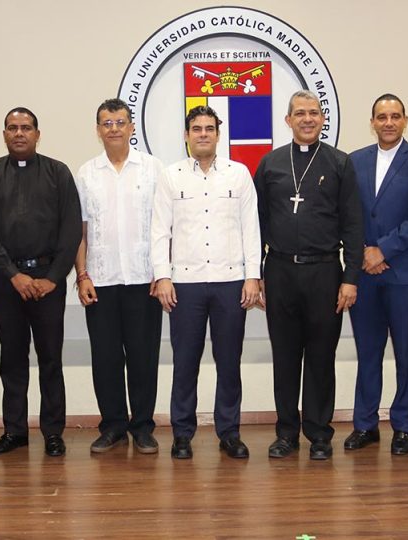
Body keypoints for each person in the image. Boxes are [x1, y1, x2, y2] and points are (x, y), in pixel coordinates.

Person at [255, 89, 363, 461]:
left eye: (314, 113)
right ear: (288, 120)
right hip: (281, 269)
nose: (307, 119)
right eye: (299, 113)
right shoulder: (270, 164)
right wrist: (258, 274)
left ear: (322, 119)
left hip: (324, 272)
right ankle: (286, 433)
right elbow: (257, 224)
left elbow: (353, 224)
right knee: (285, 356)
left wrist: (350, 278)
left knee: (320, 356)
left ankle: (319, 433)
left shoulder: (339, 163)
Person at [151, 105, 261, 459]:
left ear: (218, 134)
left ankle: (229, 432)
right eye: (196, 128)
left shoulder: (239, 175)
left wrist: (253, 276)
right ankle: (182, 434)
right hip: (185, 282)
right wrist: (162, 276)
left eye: (209, 128)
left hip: (231, 282)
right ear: (186, 136)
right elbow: (158, 231)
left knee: (229, 361)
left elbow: (251, 229)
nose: (202, 134)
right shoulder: (170, 177)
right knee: (185, 362)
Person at [0, 107, 81, 457]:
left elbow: (71, 228)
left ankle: (52, 432)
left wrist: (52, 278)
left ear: (38, 134)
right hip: (6, 283)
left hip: (49, 282)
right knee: (12, 359)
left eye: (26, 128)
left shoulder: (58, 172)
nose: (19, 133)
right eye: (12, 128)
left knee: (51, 359)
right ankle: (15, 431)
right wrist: (13, 274)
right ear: (4, 134)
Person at [345, 94, 408, 455]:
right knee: (368, 351)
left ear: (405, 120)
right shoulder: (354, 161)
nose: (388, 122)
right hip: (364, 273)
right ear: (372, 122)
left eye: (395, 116)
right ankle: (365, 424)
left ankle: (404, 426)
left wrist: (382, 249)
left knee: (405, 350)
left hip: (405, 272)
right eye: (381, 117)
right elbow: (348, 215)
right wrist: (365, 253)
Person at [75, 99, 164, 454]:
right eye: (106, 123)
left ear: (131, 127)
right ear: (98, 130)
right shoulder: (86, 173)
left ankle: (142, 426)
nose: (114, 128)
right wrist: (82, 274)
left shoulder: (154, 169)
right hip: (101, 280)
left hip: (145, 280)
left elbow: (163, 227)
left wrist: (163, 272)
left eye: (120, 122)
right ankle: (113, 425)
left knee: (144, 357)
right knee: (106, 358)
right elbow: (79, 230)